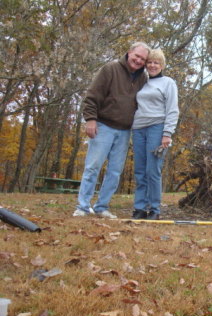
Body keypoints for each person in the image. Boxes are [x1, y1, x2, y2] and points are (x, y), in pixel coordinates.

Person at [73, 42, 150, 219]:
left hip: (124, 131)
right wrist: (91, 119)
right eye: (136, 56)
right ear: (129, 52)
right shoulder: (110, 69)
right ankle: (83, 207)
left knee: (115, 172)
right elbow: (92, 96)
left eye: (142, 59)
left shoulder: (143, 79)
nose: (138, 61)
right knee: (93, 167)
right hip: (103, 126)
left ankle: (101, 207)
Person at [131, 48, 179, 220]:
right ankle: (140, 208)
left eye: (156, 63)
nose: (152, 65)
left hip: (157, 128)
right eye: (149, 62)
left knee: (153, 170)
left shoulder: (168, 83)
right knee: (140, 170)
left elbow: (173, 110)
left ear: (162, 65)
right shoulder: (141, 82)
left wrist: (167, 133)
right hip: (138, 128)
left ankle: (154, 209)